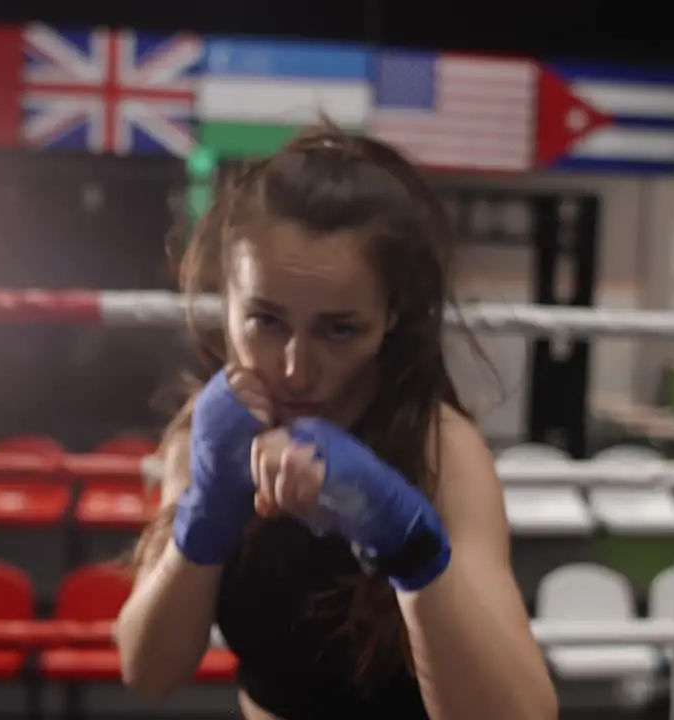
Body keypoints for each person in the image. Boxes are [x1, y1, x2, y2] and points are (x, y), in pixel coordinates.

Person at [114, 127, 557, 720]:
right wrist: (206, 512)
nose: (296, 369)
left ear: (390, 317)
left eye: (339, 329)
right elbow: (148, 673)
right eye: (266, 321)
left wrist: (413, 553)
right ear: (229, 302)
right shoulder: (210, 433)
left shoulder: (438, 450)